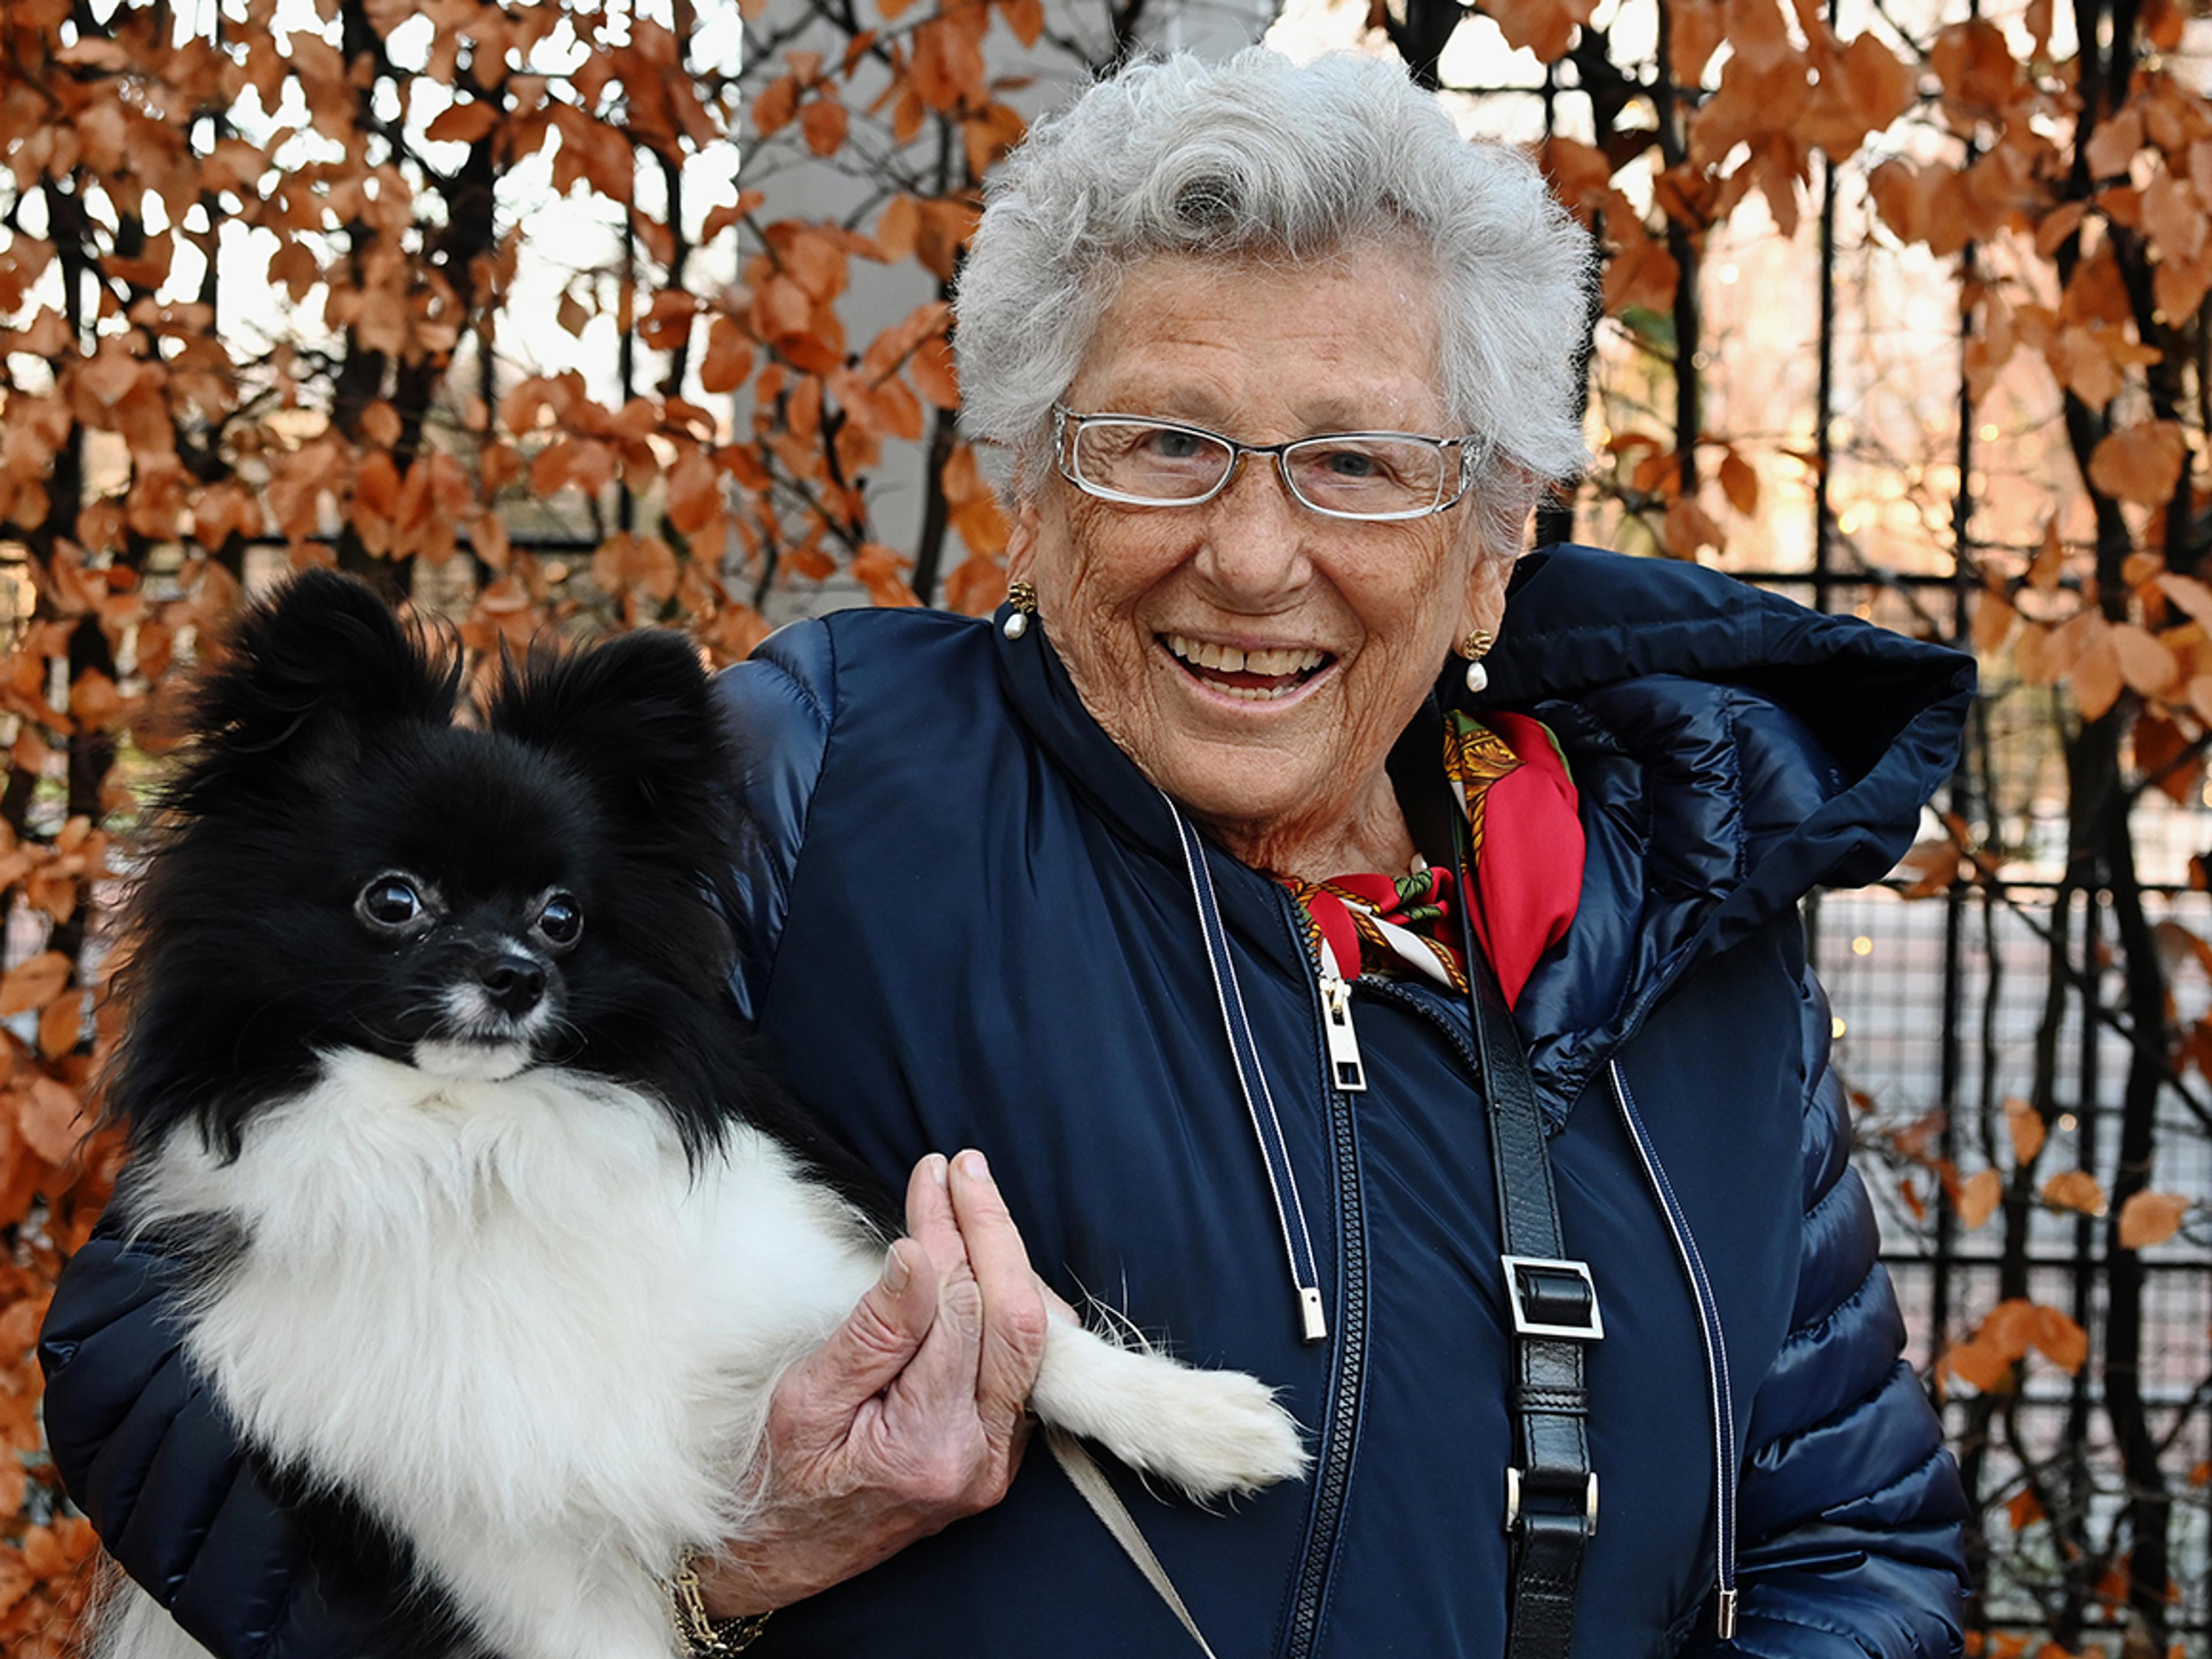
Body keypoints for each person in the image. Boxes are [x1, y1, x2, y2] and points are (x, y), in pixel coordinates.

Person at [41, 47, 1970, 1659]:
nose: (1250, 552)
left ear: (1494, 541)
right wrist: (705, 1579)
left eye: (1359, 463)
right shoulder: (811, 783)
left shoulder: (1674, 921)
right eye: (1162, 445)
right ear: (1027, 499)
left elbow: (1847, 1549)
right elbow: (166, 1359)